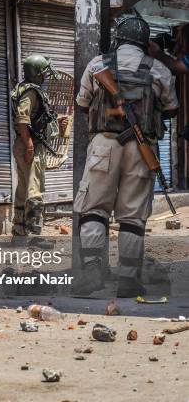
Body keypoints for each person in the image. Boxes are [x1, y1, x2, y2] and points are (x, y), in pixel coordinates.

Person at [74, 15, 178, 297]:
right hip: (141, 148)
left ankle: (93, 272)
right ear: (145, 44)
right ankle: (128, 280)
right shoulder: (157, 69)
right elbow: (171, 109)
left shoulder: (98, 64)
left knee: (94, 209)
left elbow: (82, 104)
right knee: (132, 215)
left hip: (104, 146)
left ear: (118, 39)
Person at [10, 55, 67, 247]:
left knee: (24, 188)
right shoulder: (31, 93)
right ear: (37, 74)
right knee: (35, 190)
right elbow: (22, 119)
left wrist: (56, 122)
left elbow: (34, 119)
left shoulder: (25, 89)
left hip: (26, 143)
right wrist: (29, 145)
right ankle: (35, 236)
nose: (45, 77)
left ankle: (19, 232)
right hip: (30, 145)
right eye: (43, 73)